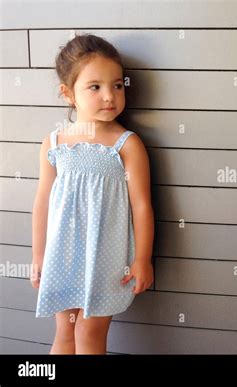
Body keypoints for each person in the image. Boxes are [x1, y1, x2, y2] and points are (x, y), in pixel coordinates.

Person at [30, 34, 154, 354]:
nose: (109, 96)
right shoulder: (54, 144)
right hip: (63, 257)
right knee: (66, 334)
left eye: (117, 85)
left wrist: (142, 260)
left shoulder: (126, 145)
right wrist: (39, 256)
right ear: (69, 94)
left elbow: (141, 205)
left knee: (89, 334)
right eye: (94, 87)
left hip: (106, 259)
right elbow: (42, 202)